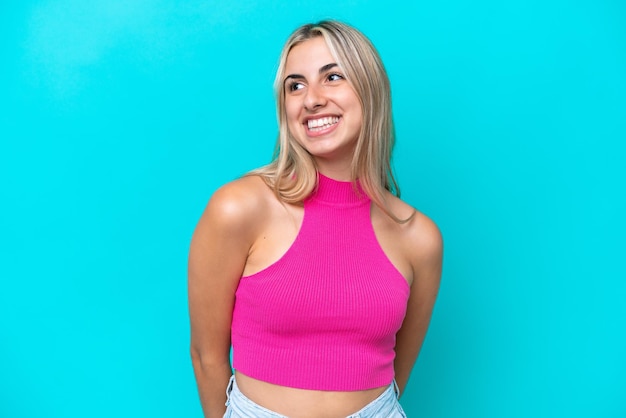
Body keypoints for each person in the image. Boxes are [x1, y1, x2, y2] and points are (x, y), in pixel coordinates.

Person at [188, 20, 443, 418]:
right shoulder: (238, 208)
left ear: (370, 91)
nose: (311, 100)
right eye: (295, 85)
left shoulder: (418, 237)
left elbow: (396, 373)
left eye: (333, 77)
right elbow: (207, 356)